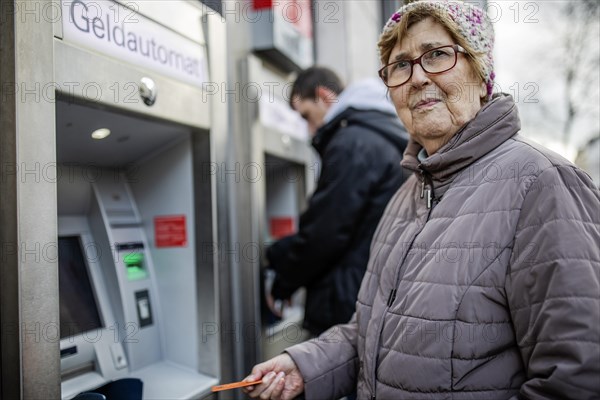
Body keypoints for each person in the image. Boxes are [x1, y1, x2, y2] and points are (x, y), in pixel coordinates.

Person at [245, 1, 600, 399]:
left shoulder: (544, 184)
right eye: (400, 66)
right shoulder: (405, 196)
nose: (416, 78)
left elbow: (576, 378)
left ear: (480, 71)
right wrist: (304, 365)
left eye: (436, 55)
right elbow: (369, 330)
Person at [265, 67, 409, 336]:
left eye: (306, 116)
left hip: (345, 304)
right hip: (373, 294)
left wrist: (282, 280)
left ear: (323, 96)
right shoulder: (380, 134)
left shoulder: (352, 143)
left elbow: (326, 232)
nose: (308, 130)